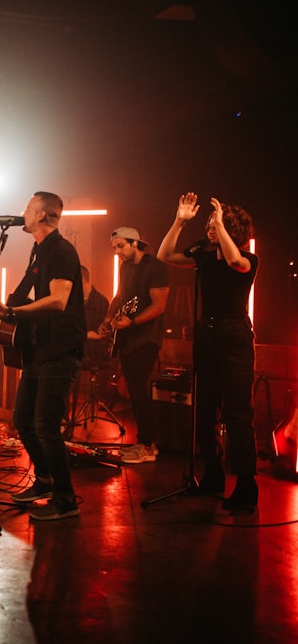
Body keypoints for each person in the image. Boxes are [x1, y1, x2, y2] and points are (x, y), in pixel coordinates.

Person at [0, 191, 85, 520]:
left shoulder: (60, 250)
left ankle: (66, 499)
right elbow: (30, 293)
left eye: (29, 208)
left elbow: (59, 300)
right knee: (24, 420)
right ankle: (44, 480)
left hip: (59, 350)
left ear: (43, 215)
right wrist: (6, 312)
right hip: (39, 349)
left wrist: (12, 309)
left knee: (46, 425)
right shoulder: (39, 251)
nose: (23, 212)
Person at [157, 192, 259, 512]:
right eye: (211, 223)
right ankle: (213, 474)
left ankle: (246, 485)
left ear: (233, 229)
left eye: (218, 223)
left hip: (235, 338)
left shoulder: (248, 259)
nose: (211, 227)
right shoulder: (202, 255)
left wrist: (221, 224)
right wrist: (179, 222)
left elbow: (234, 261)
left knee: (238, 413)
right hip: (207, 337)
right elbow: (166, 255)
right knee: (205, 409)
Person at [102, 227, 169, 464]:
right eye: (115, 247)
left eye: (121, 246)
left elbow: (159, 305)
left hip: (147, 337)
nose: (117, 251)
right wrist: (108, 319)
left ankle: (149, 445)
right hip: (128, 338)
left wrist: (133, 321)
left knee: (140, 388)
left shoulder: (155, 267)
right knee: (134, 389)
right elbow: (121, 296)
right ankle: (143, 442)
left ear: (135, 243)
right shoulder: (125, 268)